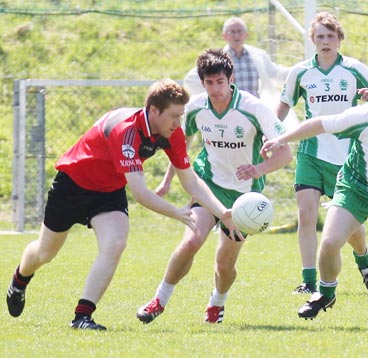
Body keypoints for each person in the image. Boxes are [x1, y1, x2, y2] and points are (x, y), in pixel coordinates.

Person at [6, 79, 243, 331]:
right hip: (73, 185)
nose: (178, 123)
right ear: (154, 110)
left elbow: (191, 182)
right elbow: (140, 192)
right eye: (174, 116)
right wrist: (178, 213)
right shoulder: (126, 130)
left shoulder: (171, 133)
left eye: (180, 116)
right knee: (45, 252)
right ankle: (20, 279)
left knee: (115, 243)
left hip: (108, 190)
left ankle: (82, 316)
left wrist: (223, 213)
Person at [262, 76, 368, 329]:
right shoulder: (366, 114)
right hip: (355, 189)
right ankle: (326, 293)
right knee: (330, 242)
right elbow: (321, 124)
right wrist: (282, 139)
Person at [136, 48, 292, 324]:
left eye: (220, 81)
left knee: (224, 263)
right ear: (202, 82)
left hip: (244, 197)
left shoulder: (254, 108)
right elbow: (179, 147)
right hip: (208, 184)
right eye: (209, 83)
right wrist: (167, 180)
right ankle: (159, 300)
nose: (215, 88)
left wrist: (258, 168)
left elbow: (285, 153)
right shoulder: (195, 108)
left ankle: (217, 304)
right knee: (192, 240)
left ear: (230, 78)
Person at [276, 11, 368, 295]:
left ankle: (364, 261)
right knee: (306, 213)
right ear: (312, 40)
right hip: (311, 153)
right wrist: (274, 133)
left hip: (346, 156)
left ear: (339, 39)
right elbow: (285, 104)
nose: (325, 41)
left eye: (330, 36)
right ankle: (309, 281)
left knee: (349, 225)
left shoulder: (353, 68)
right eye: (320, 36)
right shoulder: (300, 72)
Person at [183, 16, 297, 128]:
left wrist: (297, 71)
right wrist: (213, 91)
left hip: (253, 112)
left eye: (239, 31)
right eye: (232, 32)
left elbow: (275, 72)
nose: (236, 35)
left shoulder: (258, 56)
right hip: (228, 112)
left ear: (246, 35)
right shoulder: (218, 59)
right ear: (224, 36)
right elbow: (191, 80)